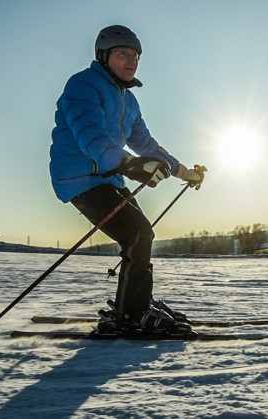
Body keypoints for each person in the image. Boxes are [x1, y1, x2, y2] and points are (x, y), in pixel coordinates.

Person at [49, 25, 205, 333]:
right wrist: (126, 163)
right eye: (123, 53)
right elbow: (89, 134)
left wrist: (182, 171)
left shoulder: (128, 100)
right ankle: (130, 315)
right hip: (79, 178)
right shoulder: (83, 85)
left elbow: (146, 143)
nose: (131, 60)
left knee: (141, 235)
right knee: (137, 233)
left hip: (109, 179)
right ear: (103, 56)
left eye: (135, 55)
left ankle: (134, 304)